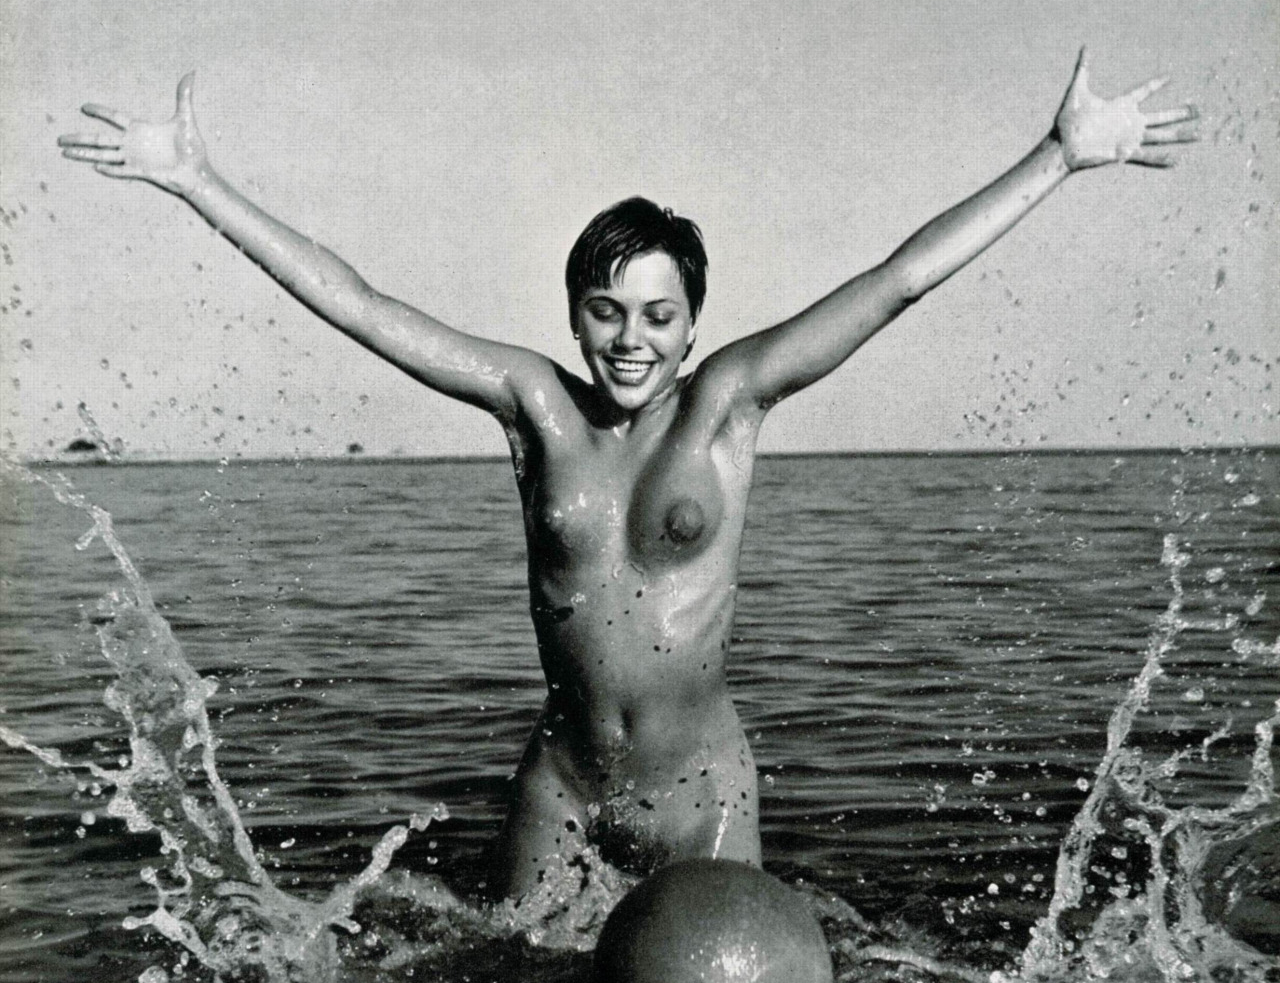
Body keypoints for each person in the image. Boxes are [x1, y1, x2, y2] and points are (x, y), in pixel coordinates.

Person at [58, 52, 1197, 900]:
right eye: (606, 309)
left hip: (702, 794)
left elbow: (895, 280)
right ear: (575, 314)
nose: (631, 337)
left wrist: (1057, 158)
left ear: (693, 321)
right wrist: (196, 182)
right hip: (561, 783)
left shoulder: (727, 403)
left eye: (658, 313)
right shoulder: (533, 405)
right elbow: (360, 304)